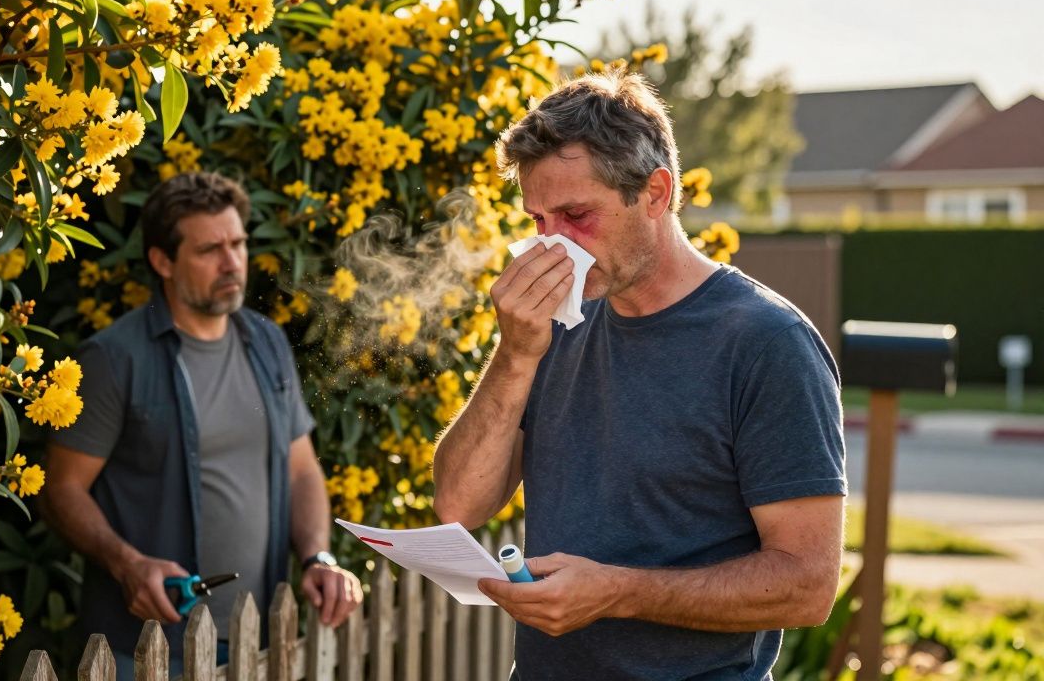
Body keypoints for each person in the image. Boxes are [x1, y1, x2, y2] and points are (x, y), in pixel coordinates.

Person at [432, 70, 846, 680]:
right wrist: (515, 355)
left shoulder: (766, 343)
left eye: (576, 215)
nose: (553, 245)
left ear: (655, 193)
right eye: (539, 220)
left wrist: (620, 592)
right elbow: (458, 505)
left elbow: (807, 586)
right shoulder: (555, 325)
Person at [42, 172, 362, 678]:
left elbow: (301, 470)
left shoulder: (267, 342)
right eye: (210, 249)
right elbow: (60, 490)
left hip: (258, 637)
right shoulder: (112, 359)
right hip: (144, 648)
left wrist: (318, 557)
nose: (232, 262)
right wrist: (126, 563)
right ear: (162, 261)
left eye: (237, 243)